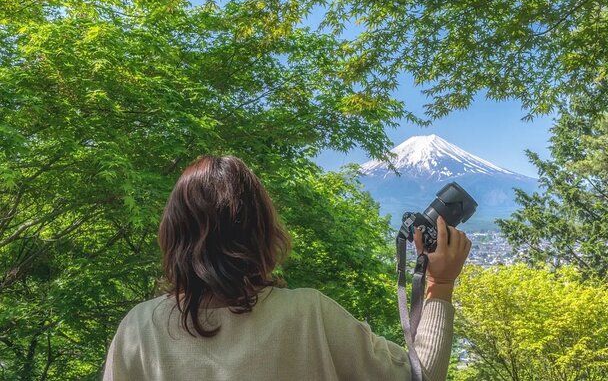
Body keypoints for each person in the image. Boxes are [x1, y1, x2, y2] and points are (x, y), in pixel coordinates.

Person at [102, 155, 471, 380]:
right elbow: (418, 377)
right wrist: (440, 284)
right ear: (262, 230)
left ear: (172, 234)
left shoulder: (140, 328)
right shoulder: (308, 314)